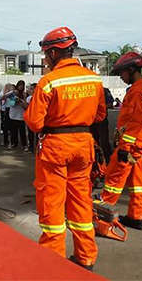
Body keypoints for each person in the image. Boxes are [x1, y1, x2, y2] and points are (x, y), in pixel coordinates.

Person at [24, 27, 106, 271]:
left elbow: (34, 122)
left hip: (55, 149)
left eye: (45, 54)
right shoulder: (93, 79)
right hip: (83, 146)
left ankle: (53, 262)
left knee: (52, 204)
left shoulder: (48, 82)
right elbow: (100, 115)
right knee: (80, 201)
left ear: (52, 53)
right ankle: (86, 257)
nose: (44, 59)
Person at [101, 52, 142, 231]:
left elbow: (135, 122)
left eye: (122, 73)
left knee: (113, 180)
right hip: (138, 144)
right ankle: (136, 216)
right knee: (136, 183)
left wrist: (124, 147)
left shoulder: (139, 92)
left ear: (131, 69)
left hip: (131, 145)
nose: (121, 77)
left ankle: (101, 217)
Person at [90, 87, 115, 163]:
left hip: (101, 120)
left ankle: (109, 159)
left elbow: (110, 104)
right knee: (93, 141)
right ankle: (95, 160)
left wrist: (99, 108)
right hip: (91, 120)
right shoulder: (89, 91)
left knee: (104, 141)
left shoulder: (104, 90)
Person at [7, 80, 28, 150]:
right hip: (13, 115)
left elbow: (26, 106)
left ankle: (24, 144)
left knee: (22, 132)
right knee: (13, 131)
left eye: (22, 85)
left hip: (21, 116)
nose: (21, 87)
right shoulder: (13, 93)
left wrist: (23, 98)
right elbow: (11, 104)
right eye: (20, 85)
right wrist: (15, 100)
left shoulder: (25, 94)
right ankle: (13, 143)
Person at [26, 83, 37, 153]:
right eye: (30, 89)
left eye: (32, 89)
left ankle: (37, 147)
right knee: (31, 134)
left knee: (38, 134)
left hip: (38, 118)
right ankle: (31, 147)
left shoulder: (40, 97)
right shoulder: (29, 98)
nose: (30, 90)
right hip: (31, 117)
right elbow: (26, 107)